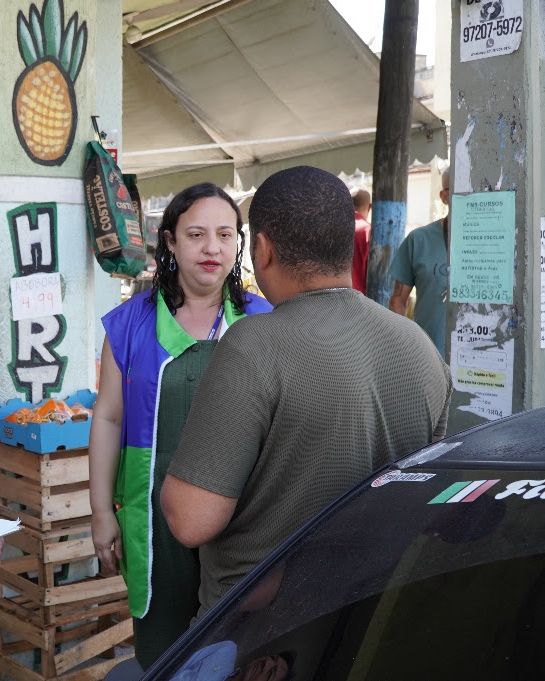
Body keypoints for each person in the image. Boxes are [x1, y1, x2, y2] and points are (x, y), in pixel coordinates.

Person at [159, 165, 452, 617]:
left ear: (262, 249)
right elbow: (421, 490)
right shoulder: (419, 346)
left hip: (259, 630)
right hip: (371, 615)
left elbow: (190, 519)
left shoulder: (252, 345)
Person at [89, 183, 272, 669]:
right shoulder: (128, 325)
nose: (212, 248)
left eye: (224, 234)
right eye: (195, 234)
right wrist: (101, 511)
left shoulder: (263, 322)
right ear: (169, 241)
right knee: (165, 649)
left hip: (244, 515)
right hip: (153, 517)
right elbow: (108, 418)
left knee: (239, 643)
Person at [388, 168, 450, 356]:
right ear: (444, 196)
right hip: (429, 360)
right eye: (458, 190)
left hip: (483, 365)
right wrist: (407, 348)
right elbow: (398, 301)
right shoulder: (419, 240)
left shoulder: (493, 240)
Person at [351, 188, 371, 295]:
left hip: (332, 299)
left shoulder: (333, 227)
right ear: (370, 207)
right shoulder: (367, 231)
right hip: (360, 300)